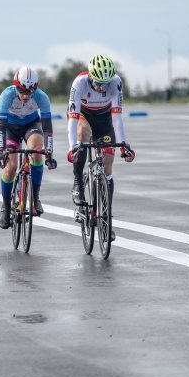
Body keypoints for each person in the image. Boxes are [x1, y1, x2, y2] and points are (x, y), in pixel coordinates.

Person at [67, 54, 135, 241]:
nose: (102, 87)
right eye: (98, 82)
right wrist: (73, 147)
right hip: (84, 117)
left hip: (105, 120)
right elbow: (72, 118)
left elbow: (117, 118)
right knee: (82, 136)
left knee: (107, 163)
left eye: (106, 83)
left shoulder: (116, 82)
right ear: (90, 76)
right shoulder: (80, 83)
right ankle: (78, 183)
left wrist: (123, 145)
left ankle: (106, 219)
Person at [0, 66, 57, 229]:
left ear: (35, 89)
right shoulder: (7, 95)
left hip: (31, 125)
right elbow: (0, 126)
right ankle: (6, 207)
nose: (25, 95)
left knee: (37, 152)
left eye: (29, 92)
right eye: (21, 91)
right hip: (10, 128)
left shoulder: (41, 97)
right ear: (16, 86)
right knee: (11, 167)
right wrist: (1, 151)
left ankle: (35, 198)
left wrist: (49, 152)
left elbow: (47, 128)